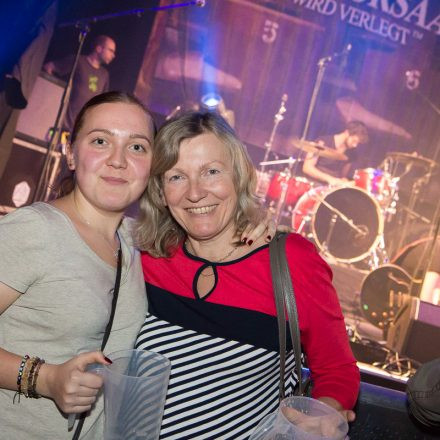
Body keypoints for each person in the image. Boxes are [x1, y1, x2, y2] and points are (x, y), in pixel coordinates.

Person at [134, 111, 360, 439]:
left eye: (211, 172)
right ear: (160, 190)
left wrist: (324, 413)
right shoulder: (148, 258)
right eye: (176, 177)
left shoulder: (291, 262)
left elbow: (337, 369)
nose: (194, 193)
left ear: (239, 176)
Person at [0, 91, 153, 438]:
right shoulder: (34, 230)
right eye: (101, 141)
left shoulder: (138, 241)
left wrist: (252, 230)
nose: (118, 160)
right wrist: (45, 378)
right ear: (71, 152)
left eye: (137, 147)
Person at [43, 35, 116, 132]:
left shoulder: (104, 74)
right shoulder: (78, 61)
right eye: (111, 50)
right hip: (62, 125)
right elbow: (49, 67)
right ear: (99, 49)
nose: (113, 55)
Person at [302, 120, 369, 186]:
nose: (355, 145)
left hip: (332, 188)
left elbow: (342, 175)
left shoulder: (352, 153)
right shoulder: (322, 142)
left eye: (357, 143)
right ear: (347, 133)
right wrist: (330, 179)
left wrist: (344, 180)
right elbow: (307, 167)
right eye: (354, 141)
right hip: (314, 184)